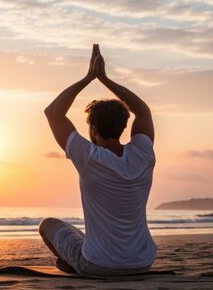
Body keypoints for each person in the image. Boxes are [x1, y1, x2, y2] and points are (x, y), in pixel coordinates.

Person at [41, 44, 157, 276]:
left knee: (48, 225)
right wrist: (106, 79)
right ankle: (75, 262)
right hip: (142, 264)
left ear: (93, 129)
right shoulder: (143, 154)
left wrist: (88, 77)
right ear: (124, 126)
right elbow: (142, 111)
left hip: (99, 266)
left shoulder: (89, 157)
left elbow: (53, 112)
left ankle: (74, 265)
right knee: (83, 237)